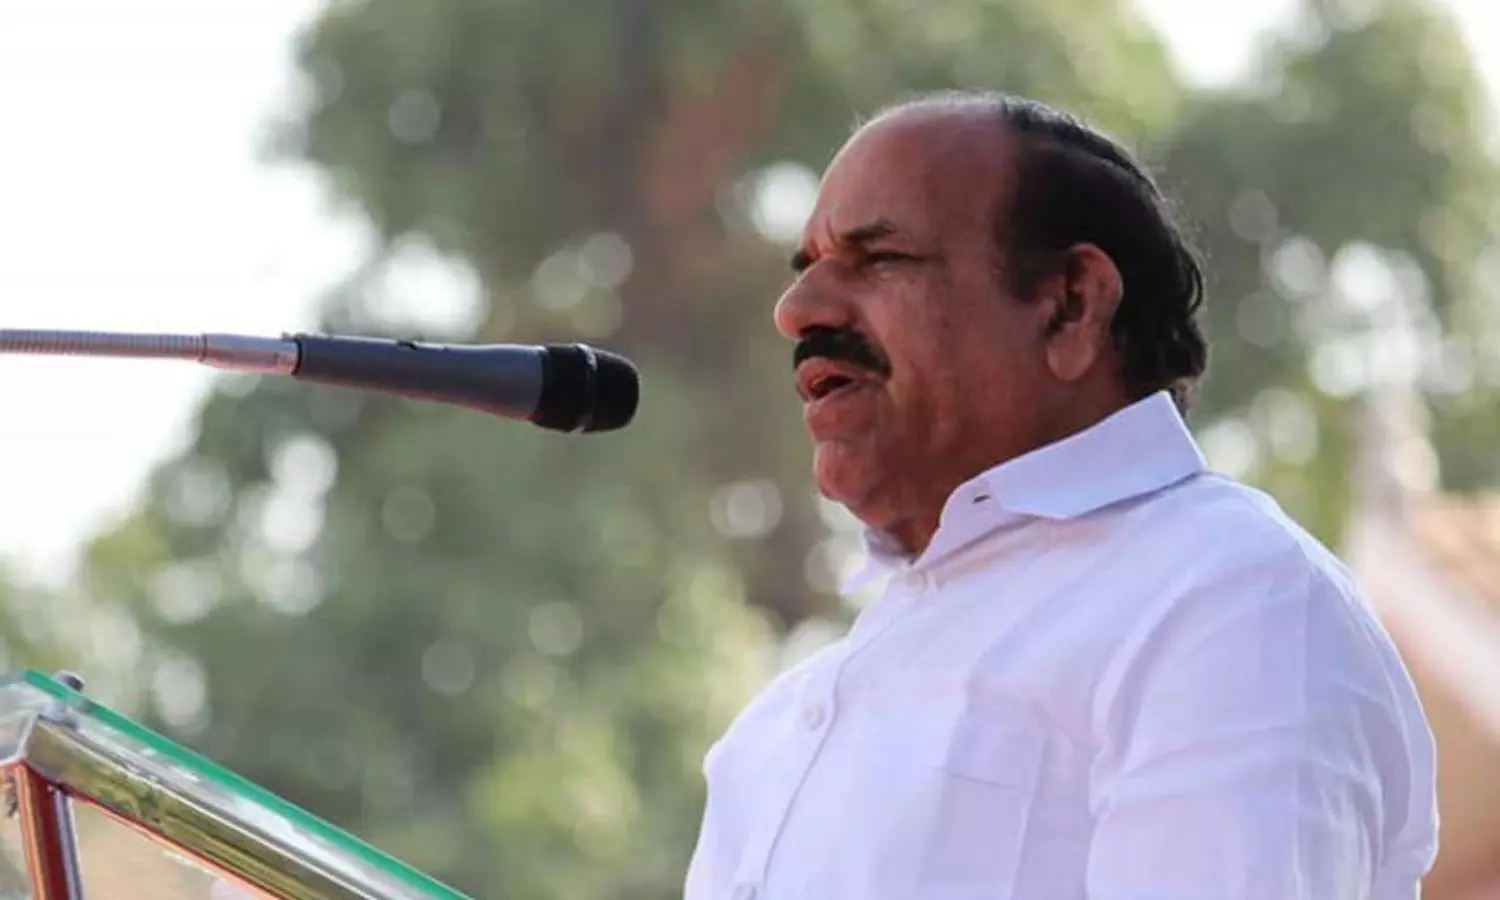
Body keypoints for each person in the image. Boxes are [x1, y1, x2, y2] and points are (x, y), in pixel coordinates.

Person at [682, 91, 1438, 900]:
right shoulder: (772, 731)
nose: (798, 311)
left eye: (880, 259)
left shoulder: (1230, 600)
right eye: (806, 269)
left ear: (1071, 304)